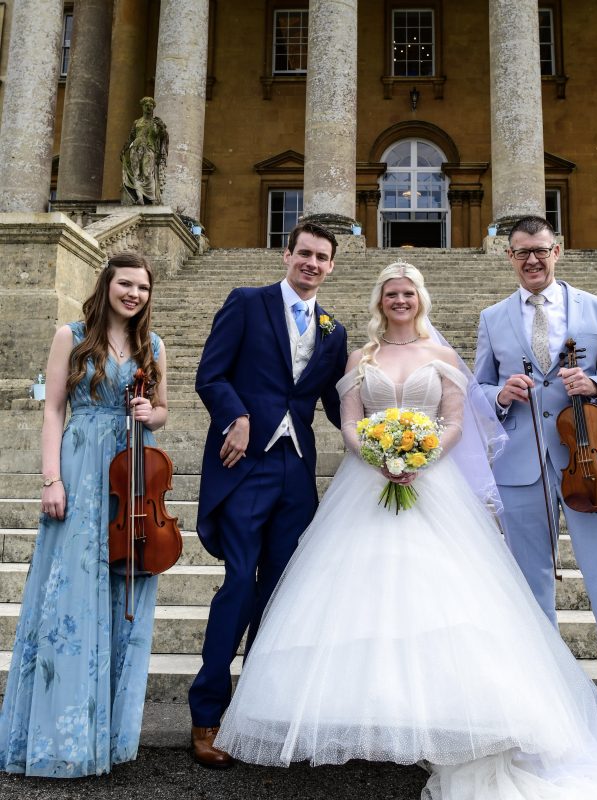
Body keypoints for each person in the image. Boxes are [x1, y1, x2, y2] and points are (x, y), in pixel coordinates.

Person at [214, 261, 597, 800]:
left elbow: (458, 419)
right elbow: (352, 420)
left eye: (408, 293)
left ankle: (583, 709)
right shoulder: (360, 357)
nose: (400, 301)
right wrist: (380, 455)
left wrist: (421, 456)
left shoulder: (443, 354)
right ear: (380, 301)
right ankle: (370, 718)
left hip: (448, 476)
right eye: (391, 294)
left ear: (420, 299)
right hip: (368, 483)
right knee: (360, 599)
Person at [0, 252, 168, 777]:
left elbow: (163, 412)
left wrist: (151, 412)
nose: (134, 294)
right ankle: (61, 735)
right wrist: (51, 479)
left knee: (124, 592)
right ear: (107, 285)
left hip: (132, 477)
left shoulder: (153, 345)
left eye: (142, 287)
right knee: (69, 594)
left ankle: (109, 735)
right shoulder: (70, 336)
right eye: (125, 284)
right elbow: (54, 409)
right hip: (80, 466)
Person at [188, 221, 348, 767]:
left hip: (296, 472)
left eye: (321, 257)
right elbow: (210, 375)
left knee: (279, 595)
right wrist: (235, 416)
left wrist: (381, 431)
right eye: (304, 253)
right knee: (239, 584)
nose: (311, 263)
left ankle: (254, 713)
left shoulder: (334, 331)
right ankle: (207, 714)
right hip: (245, 465)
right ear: (287, 254)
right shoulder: (246, 302)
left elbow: (335, 404)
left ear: (331, 265)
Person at [473, 215, 597, 720]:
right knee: (532, 593)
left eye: (540, 250)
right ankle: (547, 715)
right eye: (522, 252)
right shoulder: (492, 318)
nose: (532, 260)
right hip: (520, 467)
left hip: (590, 463)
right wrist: (500, 394)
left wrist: (596, 386)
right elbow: (476, 389)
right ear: (509, 257)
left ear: (558, 251)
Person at [121, 96, 169, 206]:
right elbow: (131, 137)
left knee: (147, 173)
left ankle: (152, 199)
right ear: (142, 107)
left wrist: (162, 128)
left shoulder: (156, 123)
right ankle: (140, 198)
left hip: (149, 149)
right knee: (136, 173)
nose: (148, 107)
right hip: (135, 149)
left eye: (151, 105)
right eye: (146, 105)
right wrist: (124, 149)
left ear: (153, 107)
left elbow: (163, 137)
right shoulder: (137, 122)